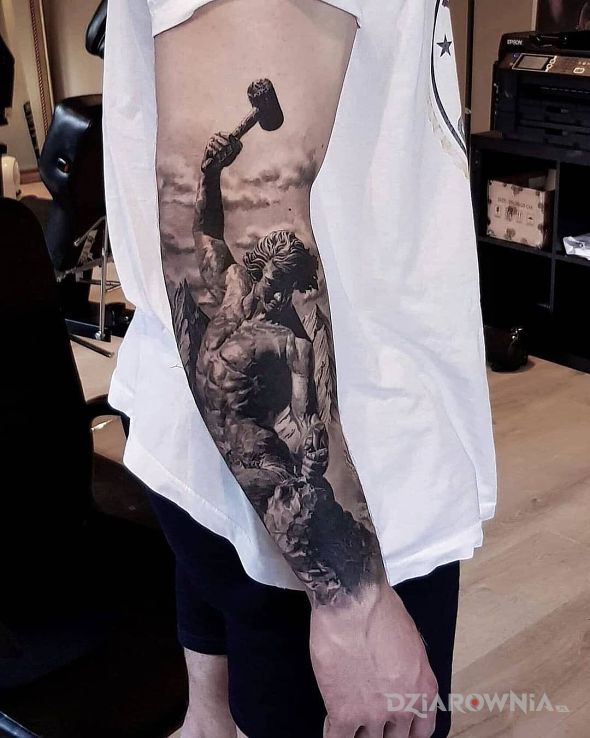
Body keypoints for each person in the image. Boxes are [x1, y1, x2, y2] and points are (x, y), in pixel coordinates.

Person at [102, 1, 497, 737]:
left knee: (221, 701)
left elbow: (209, 196)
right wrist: (353, 602)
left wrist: (218, 160)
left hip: (209, 445)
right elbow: (236, 213)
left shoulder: (248, 300)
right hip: (335, 497)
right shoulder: (255, 317)